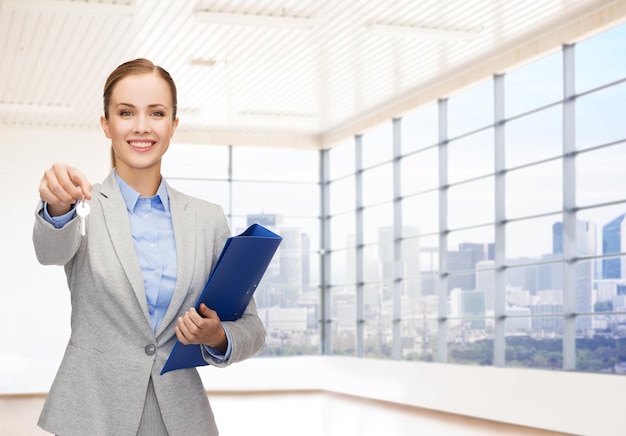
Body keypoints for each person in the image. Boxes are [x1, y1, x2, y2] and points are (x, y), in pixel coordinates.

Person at [33, 58, 266, 436]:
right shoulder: (81, 204)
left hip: (180, 415)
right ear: (106, 124)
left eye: (156, 113)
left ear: (173, 125)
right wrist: (56, 207)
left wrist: (216, 336)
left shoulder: (207, 219)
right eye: (126, 112)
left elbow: (252, 329)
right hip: (92, 414)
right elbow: (50, 252)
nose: (142, 126)